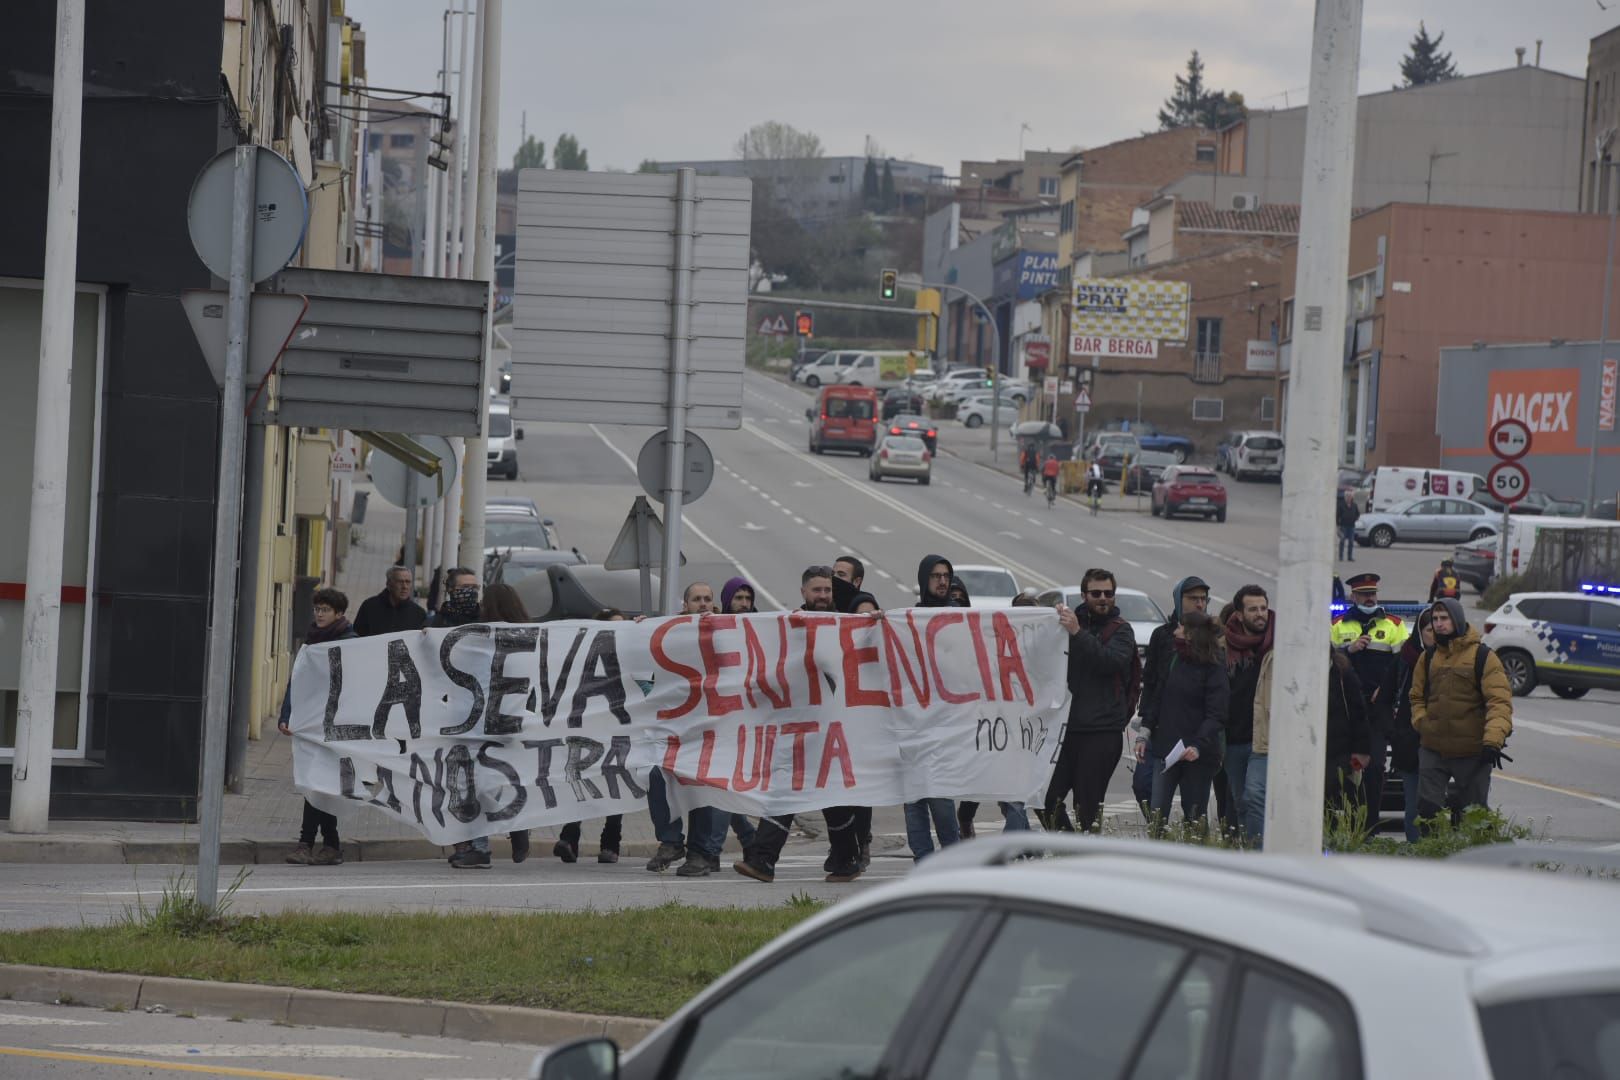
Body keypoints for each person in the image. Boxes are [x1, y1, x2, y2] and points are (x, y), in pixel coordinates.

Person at [735, 567, 866, 883]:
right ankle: (767, 860)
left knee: (831, 797)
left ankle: (844, 858)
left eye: (827, 591)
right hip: (797, 728)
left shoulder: (847, 625)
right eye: (816, 591)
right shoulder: (787, 627)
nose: (823, 596)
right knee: (792, 789)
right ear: (803, 593)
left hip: (835, 728)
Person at [645, 582, 733, 877]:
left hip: (718, 727)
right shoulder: (674, 635)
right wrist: (639, 632)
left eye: (708, 599)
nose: (703, 604)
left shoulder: (730, 633)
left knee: (709, 787)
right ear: (685, 605)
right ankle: (671, 841)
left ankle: (703, 853)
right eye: (697, 599)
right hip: (681, 728)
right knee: (658, 774)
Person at [1243, 646, 1372, 846]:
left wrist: (1361, 750)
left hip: (1336, 750)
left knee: (1329, 803)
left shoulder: (1340, 670)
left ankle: (1329, 846)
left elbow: (1358, 711)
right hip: (1299, 751)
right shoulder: (1292, 669)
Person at [1042, 569, 1138, 834]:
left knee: (1087, 810)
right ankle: (1071, 852)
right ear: (1084, 596)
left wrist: (1076, 633)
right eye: (1096, 593)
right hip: (1066, 730)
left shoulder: (1122, 630)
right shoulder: (1069, 626)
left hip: (1101, 732)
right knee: (1045, 799)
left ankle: (1087, 863)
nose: (1103, 598)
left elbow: (1109, 662)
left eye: (1108, 593)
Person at [1409, 597, 1514, 826]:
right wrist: (1421, 721)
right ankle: (1435, 857)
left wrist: (1492, 741)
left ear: (1456, 619)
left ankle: (1476, 859)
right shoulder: (1427, 658)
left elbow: (1499, 702)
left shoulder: (1483, 657)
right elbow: (1416, 696)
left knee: (1474, 815)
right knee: (1428, 811)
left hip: (1473, 751)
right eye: (1435, 619)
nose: (1438, 623)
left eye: (1444, 618)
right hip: (1434, 749)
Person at [278, 587, 355, 866]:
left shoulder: (350, 642)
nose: (319, 614)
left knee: (320, 782)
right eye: (317, 609)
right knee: (315, 782)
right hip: (312, 725)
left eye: (325, 610)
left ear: (339, 613)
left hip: (335, 726)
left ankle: (311, 843)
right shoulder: (311, 643)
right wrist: (287, 715)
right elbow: (297, 682)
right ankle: (325, 844)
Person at [1330, 572, 1409, 835]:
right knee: (1339, 771)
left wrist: (1386, 692)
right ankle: (1340, 827)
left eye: (1372, 593)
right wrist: (1347, 651)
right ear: (1353, 596)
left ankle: (1369, 828)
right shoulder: (1338, 625)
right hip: (1344, 710)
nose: (1369, 598)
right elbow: (1324, 661)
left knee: (1374, 768)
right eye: (1363, 594)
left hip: (1377, 710)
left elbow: (1403, 667)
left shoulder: (1394, 625)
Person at [1142, 611, 1228, 834]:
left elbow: (1216, 713)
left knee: (1195, 817)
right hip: (1167, 750)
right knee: (1157, 812)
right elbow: (1159, 697)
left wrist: (1198, 745)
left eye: (1180, 627)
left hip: (1198, 755)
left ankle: (1197, 861)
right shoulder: (1175, 658)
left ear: (1191, 634)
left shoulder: (1214, 665)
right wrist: (1146, 731)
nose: (1175, 631)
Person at [557, 607, 629, 864]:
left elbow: (648, 684)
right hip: (587, 731)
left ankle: (611, 843)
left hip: (619, 731)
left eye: (624, 627)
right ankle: (569, 837)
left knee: (615, 782)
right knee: (578, 778)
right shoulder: (584, 660)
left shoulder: (633, 657)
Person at [1138, 576, 1211, 820]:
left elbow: (1217, 700)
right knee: (1144, 787)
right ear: (1179, 601)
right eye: (1193, 599)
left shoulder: (1211, 641)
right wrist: (1145, 725)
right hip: (1161, 732)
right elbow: (1151, 684)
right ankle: (1160, 841)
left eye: (1203, 599)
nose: (1200, 604)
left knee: (1194, 810)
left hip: (1195, 738)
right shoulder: (1163, 636)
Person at [1222, 585, 1274, 833]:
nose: (1260, 614)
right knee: (1241, 803)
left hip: (1265, 739)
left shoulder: (1280, 644)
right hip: (1234, 738)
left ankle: (1259, 858)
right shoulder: (1223, 646)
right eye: (1253, 609)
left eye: (1263, 608)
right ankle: (1250, 853)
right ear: (1240, 614)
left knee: (1255, 796)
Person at [1381, 607, 1435, 842]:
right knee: (1413, 805)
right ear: (1420, 633)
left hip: (1442, 745)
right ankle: (1417, 853)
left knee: (1434, 805)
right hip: (1409, 744)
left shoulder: (1454, 660)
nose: (1435, 634)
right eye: (1429, 630)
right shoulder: (1404, 660)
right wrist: (1394, 734)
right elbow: (1383, 700)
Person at [352, 565, 427, 637]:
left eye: (408, 582)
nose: (405, 586)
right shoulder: (369, 607)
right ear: (388, 584)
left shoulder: (419, 613)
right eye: (400, 582)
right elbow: (357, 636)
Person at [1336, 489, 1360, 562]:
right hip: (1343, 526)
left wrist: (1355, 518)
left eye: (1350, 496)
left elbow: (1358, 514)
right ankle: (1341, 557)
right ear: (1345, 497)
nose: (1349, 498)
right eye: (1347, 496)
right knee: (1342, 541)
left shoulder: (1354, 505)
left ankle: (1350, 557)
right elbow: (1337, 515)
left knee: (1351, 542)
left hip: (1351, 526)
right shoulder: (1341, 505)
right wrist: (1338, 525)